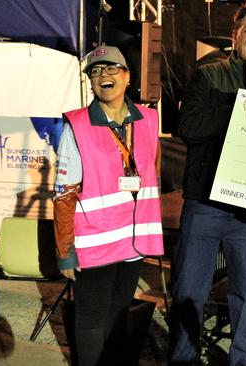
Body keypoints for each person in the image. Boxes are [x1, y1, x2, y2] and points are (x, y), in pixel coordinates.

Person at [168, 5, 246, 366]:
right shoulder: (208, 76)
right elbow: (188, 128)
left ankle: (243, 359)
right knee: (189, 291)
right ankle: (183, 358)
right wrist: (242, 106)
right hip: (204, 205)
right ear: (234, 34)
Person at [53, 45, 164, 366]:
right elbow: (63, 194)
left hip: (132, 242)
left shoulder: (147, 120)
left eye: (111, 68)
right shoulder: (78, 125)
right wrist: (64, 252)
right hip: (94, 243)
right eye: (96, 71)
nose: (103, 76)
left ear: (127, 76)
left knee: (117, 316)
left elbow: (150, 176)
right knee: (91, 319)